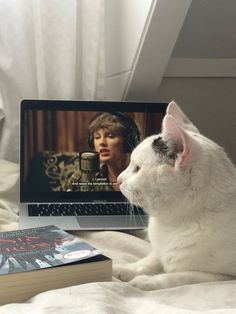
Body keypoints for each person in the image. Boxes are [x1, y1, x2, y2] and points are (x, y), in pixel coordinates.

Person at [87, 112, 140, 191]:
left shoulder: (141, 175)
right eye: (97, 137)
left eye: (110, 136)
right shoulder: (92, 177)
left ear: (127, 141)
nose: (101, 142)